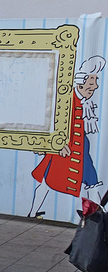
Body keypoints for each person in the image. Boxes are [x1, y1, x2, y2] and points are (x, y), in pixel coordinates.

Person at [29, 55, 105, 217]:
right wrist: (56, 143)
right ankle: (33, 212)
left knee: (92, 182)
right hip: (65, 148)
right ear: (82, 81)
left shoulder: (84, 101)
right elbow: (51, 121)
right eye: (91, 83)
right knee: (47, 181)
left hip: (81, 150)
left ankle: (97, 216)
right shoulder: (67, 99)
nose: (95, 86)